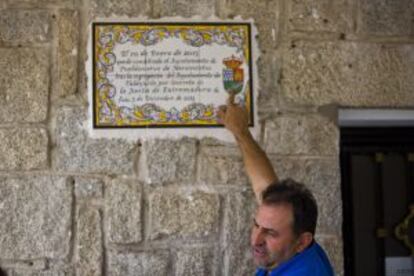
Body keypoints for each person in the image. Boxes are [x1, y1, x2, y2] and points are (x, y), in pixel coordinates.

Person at [218, 94, 334, 276]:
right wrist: (240, 131)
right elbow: (263, 184)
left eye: (271, 233)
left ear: (302, 242)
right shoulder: (296, 249)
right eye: (256, 225)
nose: (256, 240)